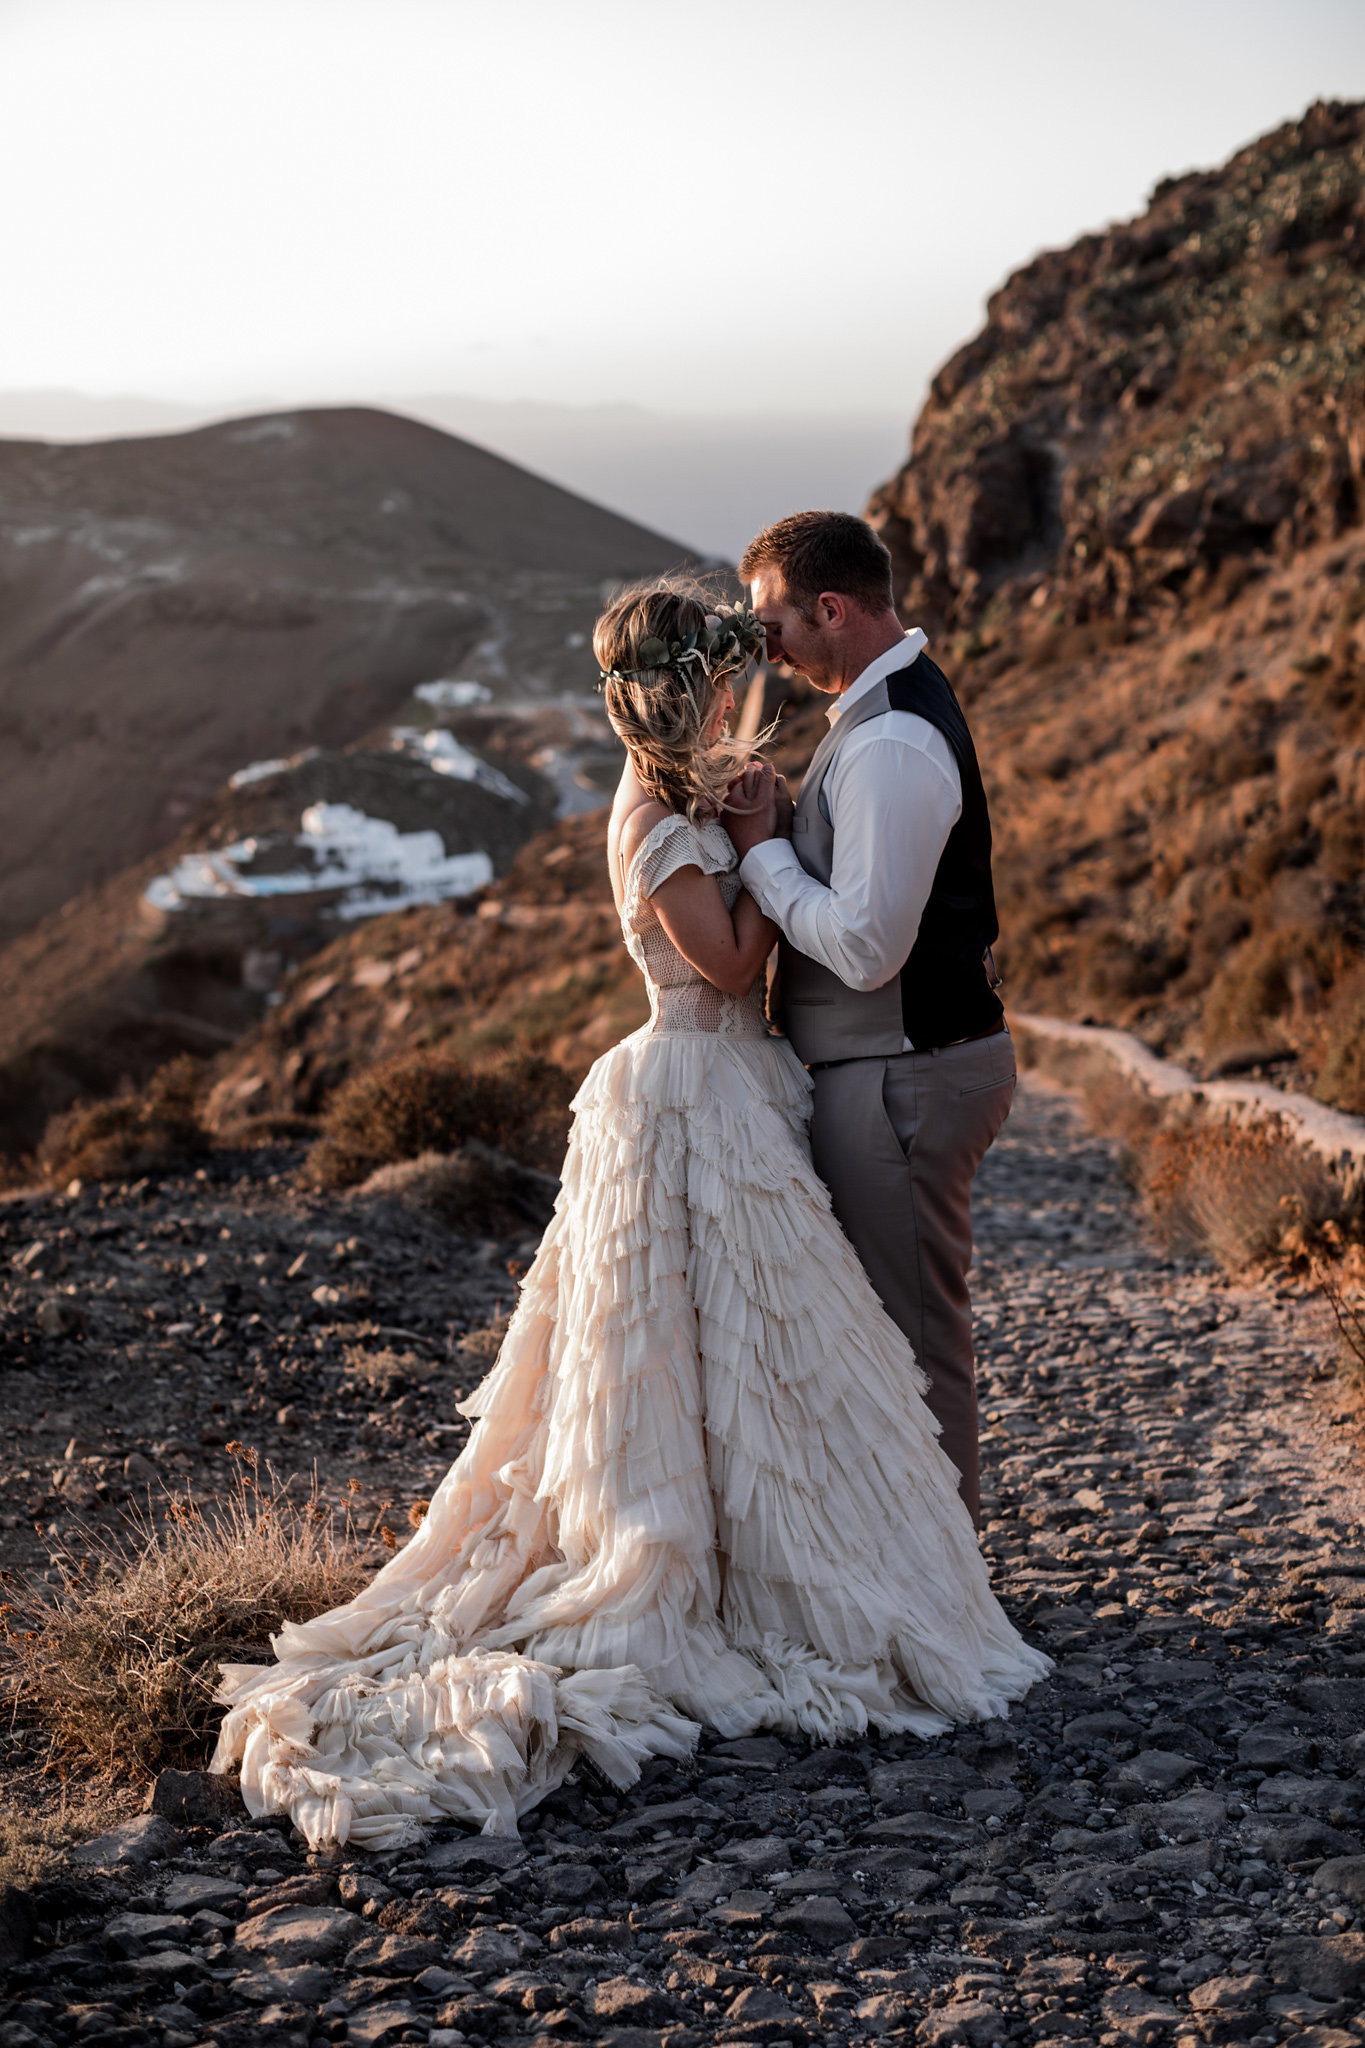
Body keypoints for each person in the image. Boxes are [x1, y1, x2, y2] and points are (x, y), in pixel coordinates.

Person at [211, 578, 1046, 1851]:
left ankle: (800, 1555)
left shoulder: (690, 792)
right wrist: (773, 847)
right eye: (718, 680)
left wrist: (754, 822)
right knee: (677, 1345)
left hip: (735, 1087)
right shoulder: (652, 811)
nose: (737, 696)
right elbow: (727, 963)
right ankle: (695, 1571)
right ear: (678, 689)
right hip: (687, 1082)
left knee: (759, 1348)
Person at [731, 511, 1012, 1528]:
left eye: (775, 620)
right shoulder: (872, 712)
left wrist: (763, 853)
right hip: (887, 1066)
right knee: (889, 1331)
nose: (767, 644)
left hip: (902, 1072)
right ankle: (916, 1564)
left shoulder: (891, 737)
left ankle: (950, 1593)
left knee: (916, 1338)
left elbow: (864, 946)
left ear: (833, 608)